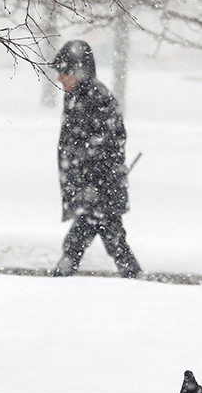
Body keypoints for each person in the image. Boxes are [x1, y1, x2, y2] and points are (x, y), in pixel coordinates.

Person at [49, 40, 141, 278]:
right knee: (108, 236)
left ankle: (63, 274)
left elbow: (110, 143)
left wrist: (91, 178)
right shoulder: (77, 96)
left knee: (94, 235)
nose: (59, 78)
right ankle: (133, 275)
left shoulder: (95, 97)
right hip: (95, 187)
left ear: (78, 71)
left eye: (64, 71)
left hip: (99, 187)